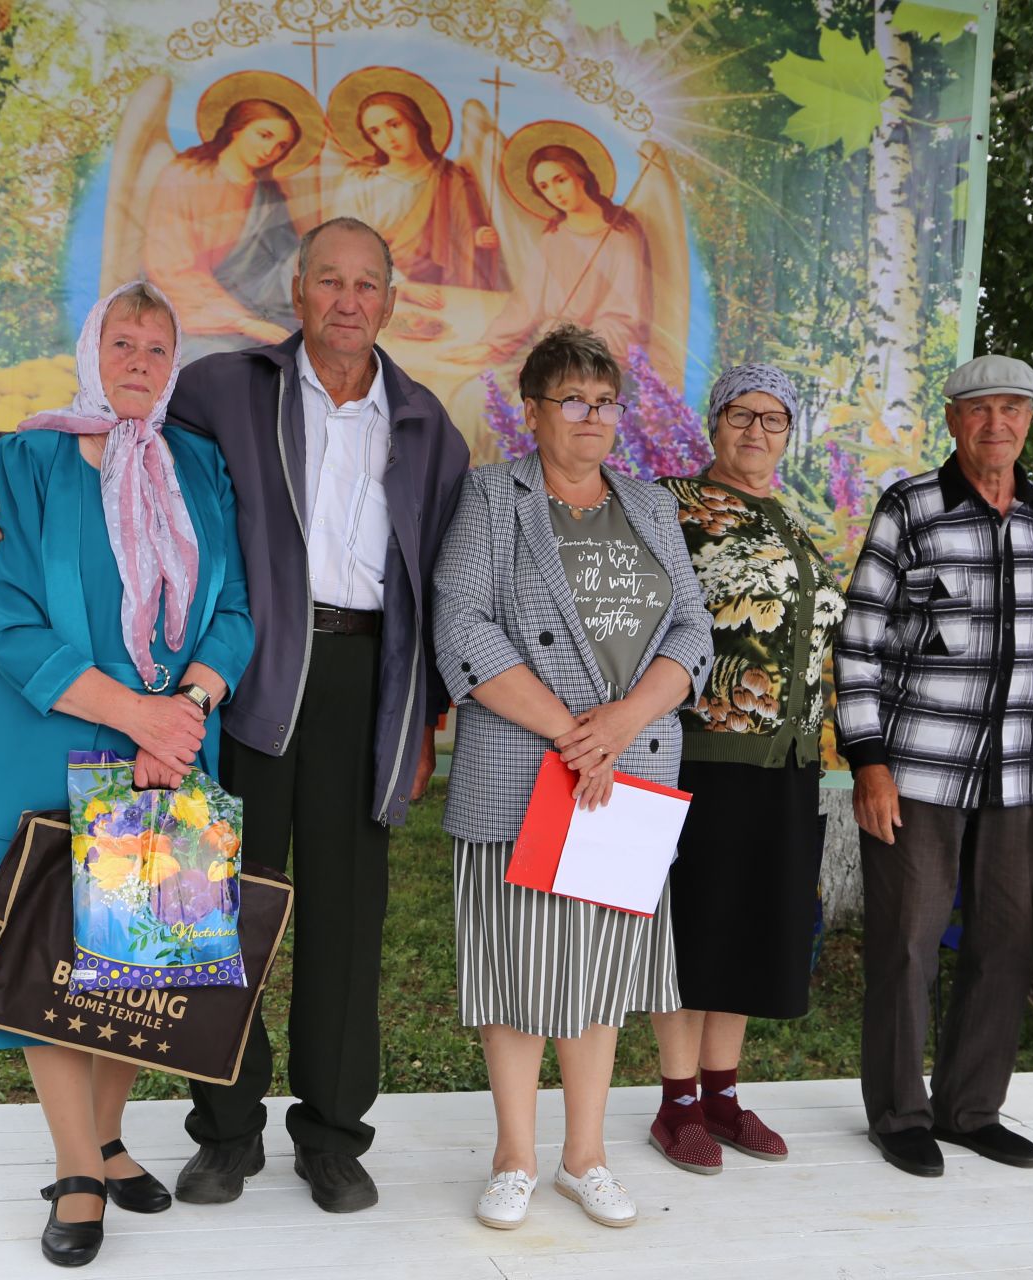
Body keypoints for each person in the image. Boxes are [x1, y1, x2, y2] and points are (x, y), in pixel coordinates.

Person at [0, 217, 470, 1216]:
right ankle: (225, 1130)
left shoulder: (424, 422)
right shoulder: (228, 387)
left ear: (390, 300)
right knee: (211, 904)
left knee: (348, 919)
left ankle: (332, 1134)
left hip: (365, 676)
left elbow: (438, 577)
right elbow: (99, 419)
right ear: (299, 293)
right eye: (330, 280)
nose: (350, 300)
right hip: (256, 676)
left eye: (369, 284)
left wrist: (421, 717)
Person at [0, 281, 254, 1266]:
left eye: (158, 349)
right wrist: (141, 717)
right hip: (55, 740)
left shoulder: (200, 463)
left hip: (168, 753)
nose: (138, 362)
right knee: (51, 963)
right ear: (91, 349)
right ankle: (78, 1168)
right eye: (122, 342)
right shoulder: (21, 461)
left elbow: (235, 610)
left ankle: (110, 1138)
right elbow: (17, 624)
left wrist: (189, 708)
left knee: (136, 963)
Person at [432, 324, 714, 1230]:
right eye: (573, 400)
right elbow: (464, 630)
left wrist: (622, 726)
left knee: (597, 975)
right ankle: (515, 1157)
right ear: (534, 410)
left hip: (624, 774)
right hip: (526, 767)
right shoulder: (489, 497)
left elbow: (693, 636)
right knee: (516, 968)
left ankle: (582, 1157)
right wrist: (571, 733)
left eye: (605, 402)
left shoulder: (650, 506)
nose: (592, 418)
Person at [834, 353, 1033, 1178]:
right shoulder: (910, 508)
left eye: (1014, 410)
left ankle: (970, 1110)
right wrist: (868, 762)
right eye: (980, 409)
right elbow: (858, 643)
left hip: (1024, 779)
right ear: (951, 420)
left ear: (1030, 420)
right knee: (907, 946)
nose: (998, 425)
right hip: (919, 772)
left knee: (1005, 947)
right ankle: (898, 1114)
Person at [647, 363, 844, 1174]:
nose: (757, 431)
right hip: (707, 753)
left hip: (789, 760)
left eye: (774, 420)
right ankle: (677, 1102)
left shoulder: (792, 523)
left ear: (790, 435)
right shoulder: (671, 507)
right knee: (700, 929)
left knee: (755, 929)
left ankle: (723, 1093)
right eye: (741, 414)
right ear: (713, 422)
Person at [444, 144, 650, 369]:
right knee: (473, 392)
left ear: (580, 176)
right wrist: (491, 344)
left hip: (593, 355)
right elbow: (526, 302)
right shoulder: (554, 236)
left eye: (561, 180)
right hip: (545, 344)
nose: (555, 192)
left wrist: (580, 350)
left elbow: (624, 317)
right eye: (544, 186)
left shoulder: (622, 236)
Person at [144, 99, 309, 349]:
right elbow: (171, 268)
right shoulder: (185, 178)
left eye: (281, 146)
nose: (270, 150)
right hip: (194, 314)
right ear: (237, 128)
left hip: (262, 309)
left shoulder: (267, 195)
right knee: (223, 359)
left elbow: (284, 262)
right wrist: (242, 321)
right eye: (264, 135)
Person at [333, 89, 504, 291]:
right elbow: (347, 242)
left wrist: (476, 236)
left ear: (415, 123)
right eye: (375, 132)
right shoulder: (359, 180)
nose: (388, 137)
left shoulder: (450, 177)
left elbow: (462, 230)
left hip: (440, 288)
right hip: (378, 285)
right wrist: (401, 284)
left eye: (394, 125)